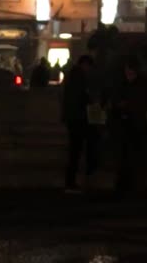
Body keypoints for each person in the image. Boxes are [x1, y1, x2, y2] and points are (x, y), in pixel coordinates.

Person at [109, 58, 147, 194]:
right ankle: (124, 185)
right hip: (125, 124)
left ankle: (133, 185)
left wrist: (127, 105)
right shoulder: (125, 83)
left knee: (134, 156)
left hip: (135, 124)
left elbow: (144, 103)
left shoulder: (140, 84)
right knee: (124, 157)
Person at [61, 55, 99, 193]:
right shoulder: (79, 78)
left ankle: (71, 182)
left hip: (73, 118)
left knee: (74, 151)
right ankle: (71, 182)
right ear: (85, 65)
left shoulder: (72, 76)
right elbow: (82, 97)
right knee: (75, 151)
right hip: (78, 119)